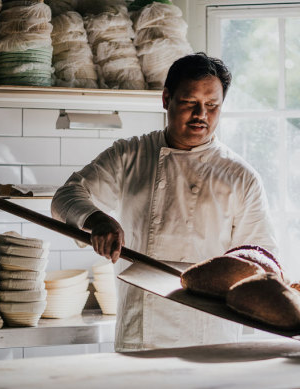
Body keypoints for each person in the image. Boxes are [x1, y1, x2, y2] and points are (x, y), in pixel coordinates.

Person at [51, 52, 278, 352]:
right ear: (166, 99)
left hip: (209, 338)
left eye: (212, 106)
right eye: (189, 103)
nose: (202, 115)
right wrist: (96, 219)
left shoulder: (239, 176)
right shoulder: (131, 155)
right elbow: (65, 197)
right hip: (140, 332)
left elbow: (261, 259)